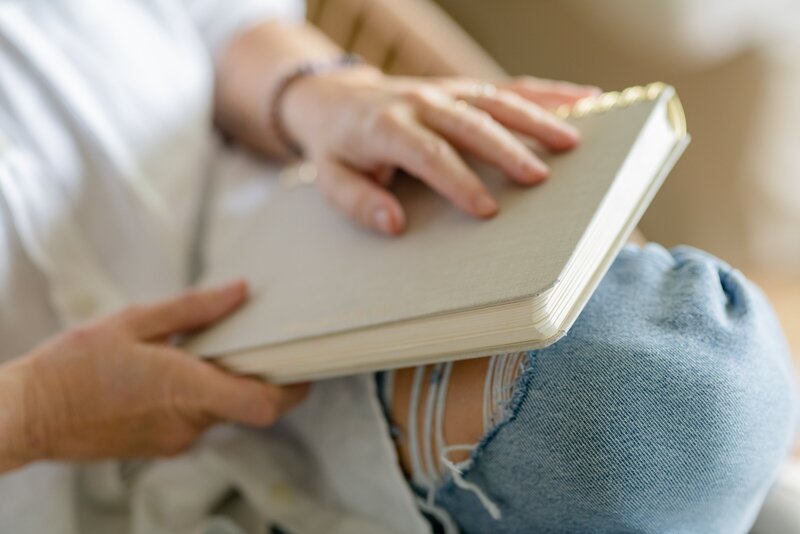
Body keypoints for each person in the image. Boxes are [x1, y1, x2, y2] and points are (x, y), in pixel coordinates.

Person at [0, 1, 795, 533]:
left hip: (293, 232)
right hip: (61, 483)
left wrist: (319, 94)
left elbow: (218, 17)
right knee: (668, 434)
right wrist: (37, 412)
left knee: (693, 385)